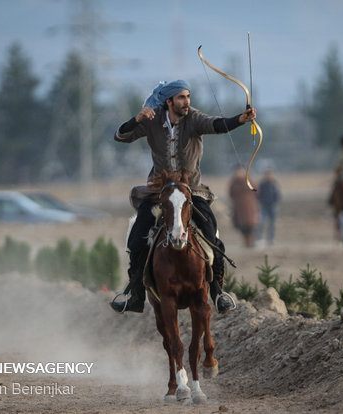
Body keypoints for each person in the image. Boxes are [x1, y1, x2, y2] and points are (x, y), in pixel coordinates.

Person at [110, 80, 257, 314]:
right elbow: (120, 136)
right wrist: (137, 119)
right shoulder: (152, 120)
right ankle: (136, 294)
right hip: (159, 192)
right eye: (181, 97)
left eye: (188, 96)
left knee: (211, 235)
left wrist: (240, 119)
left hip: (192, 191)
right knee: (136, 239)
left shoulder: (194, 118)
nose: (186, 101)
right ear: (168, 101)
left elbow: (216, 125)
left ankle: (218, 292)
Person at [228, 165, 259, 248]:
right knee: (242, 226)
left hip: (249, 208)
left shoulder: (249, 181)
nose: (238, 174)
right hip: (239, 209)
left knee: (250, 226)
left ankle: (251, 241)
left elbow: (256, 190)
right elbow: (231, 193)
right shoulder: (234, 183)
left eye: (240, 172)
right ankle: (246, 241)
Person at [255, 169, 281, 245]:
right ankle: (259, 239)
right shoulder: (262, 185)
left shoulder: (274, 184)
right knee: (261, 223)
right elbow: (258, 195)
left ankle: (271, 239)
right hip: (264, 207)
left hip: (273, 206)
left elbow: (278, 195)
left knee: (272, 224)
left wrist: (275, 201)